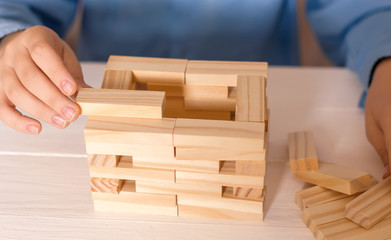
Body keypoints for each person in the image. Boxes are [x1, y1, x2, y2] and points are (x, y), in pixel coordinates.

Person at [0, 0, 390, 178]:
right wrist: (9, 40)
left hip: (255, 92)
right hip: (111, 101)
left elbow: (364, 8)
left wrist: (385, 60)